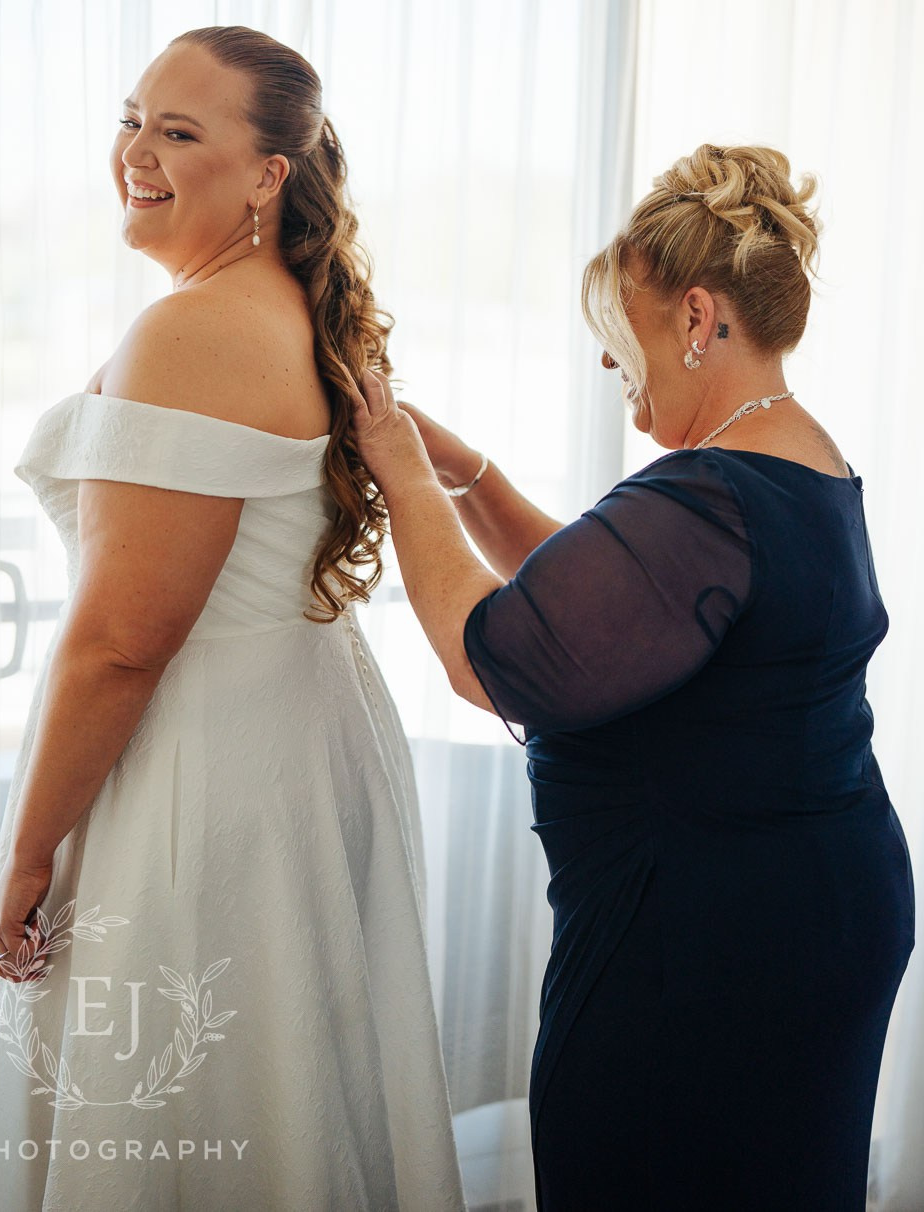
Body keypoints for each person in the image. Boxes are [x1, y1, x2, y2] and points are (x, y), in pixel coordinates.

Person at [0, 26, 466, 1211]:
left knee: (173, 1102)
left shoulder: (193, 329)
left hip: (200, 767)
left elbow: (124, 641)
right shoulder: (280, 307)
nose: (138, 152)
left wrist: (24, 855)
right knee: (277, 1090)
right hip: (294, 741)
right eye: (132, 119)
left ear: (271, 172)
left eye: (180, 132)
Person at [348, 143, 915, 1212]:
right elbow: (611, 607)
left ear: (698, 319)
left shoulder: (708, 489)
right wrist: (463, 474)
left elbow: (502, 656)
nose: (613, 372)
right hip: (816, 908)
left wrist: (399, 472)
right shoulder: (799, 463)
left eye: (619, 343)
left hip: (707, 950)